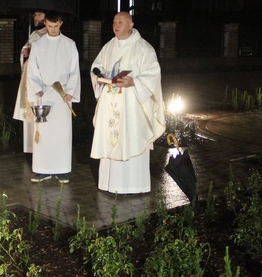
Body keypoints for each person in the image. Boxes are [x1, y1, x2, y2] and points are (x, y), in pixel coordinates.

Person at [90, 12, 166, 194]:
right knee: (112, 139)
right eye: (114, 22)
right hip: (111, 103)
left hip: (133, 105)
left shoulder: (143, 48)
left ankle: (133, 186)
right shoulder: (109, 47)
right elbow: (97, 66)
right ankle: (110, 184)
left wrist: (134, 82)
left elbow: (153, 74)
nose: (116, 25)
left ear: (131, 24)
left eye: (121, 22)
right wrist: (99, 76)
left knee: (131, 138)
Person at [25, 10, 81, 183]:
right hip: (45, 93)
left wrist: (70, 91)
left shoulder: (69, 44)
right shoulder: (39, 44)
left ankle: (62, 169)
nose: (53, 30)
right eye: (49, 26)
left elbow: (74, 70)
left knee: (62, 133)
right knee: (44, 133)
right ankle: (42, 169)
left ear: (61, 24)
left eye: (56, 26)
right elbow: (32, 70)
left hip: (62, 94)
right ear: (45, 25)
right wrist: (36, 89)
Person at [13, 9, 47, 153]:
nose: (35, 17)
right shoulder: (35, 34)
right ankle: (30, 147)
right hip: (28, 76)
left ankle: (42, 147)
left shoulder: (48, 35)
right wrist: (25, 52)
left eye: (39, 14)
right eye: (34, 14)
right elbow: (25, 52)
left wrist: (31, 52)